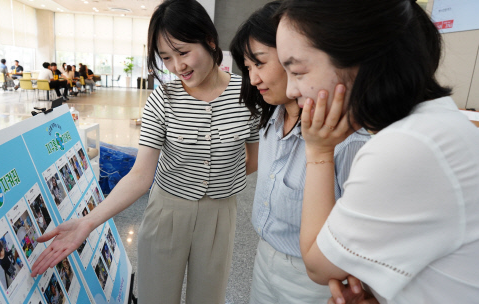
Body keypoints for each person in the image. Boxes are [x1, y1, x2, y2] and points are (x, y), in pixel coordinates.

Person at [31, 1, 259, 304]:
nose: (178, 66)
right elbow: (140, 175)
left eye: (183, 52)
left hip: (220, 215)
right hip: (168, 211)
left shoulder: (248, 93)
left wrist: (217, 175)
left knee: (209, 298)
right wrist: (88, 222)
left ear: (210, 40)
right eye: (166, 57)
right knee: (157, 296)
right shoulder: (162, 99)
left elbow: (252, 161)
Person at [273, 0, 479, 303]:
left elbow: (319, 267)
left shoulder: (405, 146)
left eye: (299, 71)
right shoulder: (434, 127)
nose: (291, 90)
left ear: (363, 59)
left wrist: (319, 151)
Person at [229, 2, 370, 303]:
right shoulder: (271, 117)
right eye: (248, 67)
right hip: (264, 257)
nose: (253, 79)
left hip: (315, 281)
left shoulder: (348, 140)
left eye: (260, 63)